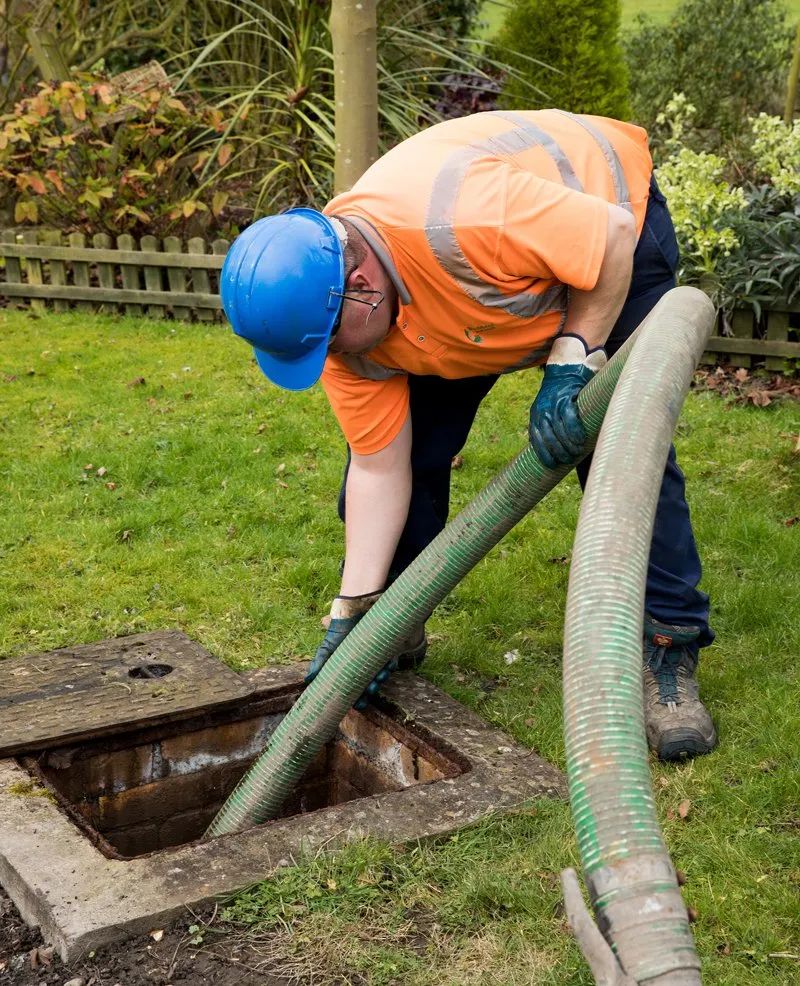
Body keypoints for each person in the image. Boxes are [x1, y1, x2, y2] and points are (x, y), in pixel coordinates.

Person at [221, 109, 717, 761]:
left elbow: (611, 238)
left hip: (609, 229)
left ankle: (669, 648)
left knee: (620, 449)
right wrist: (354, 610)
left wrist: (574, 360)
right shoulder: (339, 323)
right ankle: (392, 622)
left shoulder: (464, 219)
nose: (330, 360)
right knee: (417, 451)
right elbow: (378, 468)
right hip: (473, 299)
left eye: (329, 343)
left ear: (361, 286)